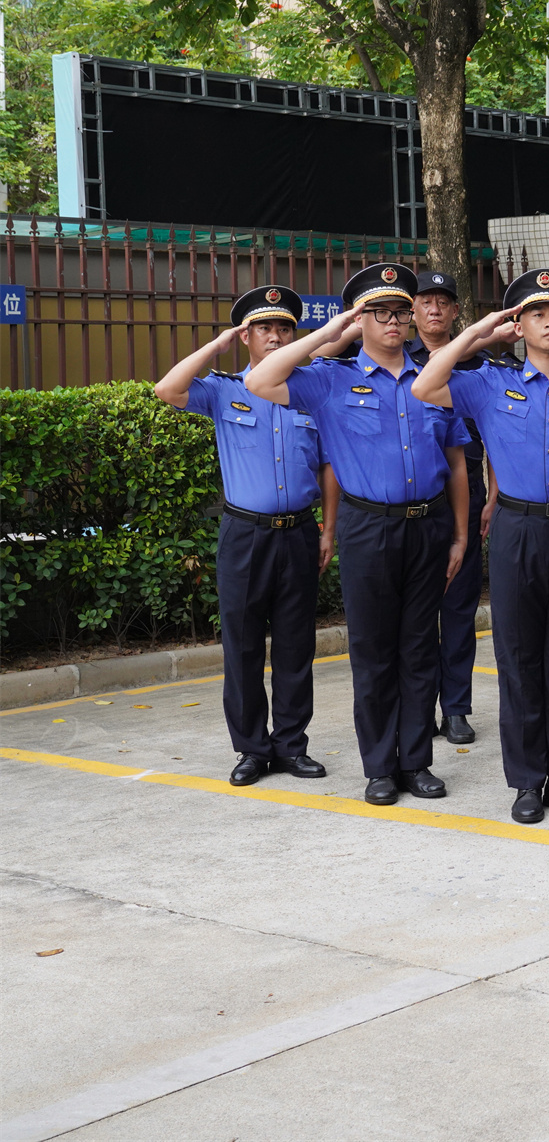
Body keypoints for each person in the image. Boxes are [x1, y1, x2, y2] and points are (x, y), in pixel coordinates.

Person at [246, 264, 471, 806]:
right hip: (369, 527)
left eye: (401, 310)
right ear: (360, 318)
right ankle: (379, 767)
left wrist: (461, 535)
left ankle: (416, 762)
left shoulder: (432, 378)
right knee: (373, 652)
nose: (393, 320)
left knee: (420, 648)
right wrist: (332, 332)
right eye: (379, 311)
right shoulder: (331, 379)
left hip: (429, 524)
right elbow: (260, 380)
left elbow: (458, 463)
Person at [412, 269, 549, 823]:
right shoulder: (488, 382)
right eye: (536, 314)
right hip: (516, 532)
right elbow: (426, 385)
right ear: (519, 325)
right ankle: (528, 781)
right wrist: (481, 332)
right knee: (519, 659)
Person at [155, 286, 336, 787]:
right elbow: (167, 390)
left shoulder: (310, 390)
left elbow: (328, 468)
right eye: (263, 329)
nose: (275, 337)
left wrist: (329, 530)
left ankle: (292, 746)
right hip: (245, 535)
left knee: (297, 646)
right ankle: (252, 749)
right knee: (242, 646)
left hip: (299, 531)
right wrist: (215, 346)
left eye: (283, 328)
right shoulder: (222, 389)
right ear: (247, 337)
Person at [406, 270, 488, 748]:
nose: (435, 309)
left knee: (458, 608)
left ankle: (456, 707)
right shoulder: (393, 353)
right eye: (426, 301)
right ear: (413, 310)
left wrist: (493, 492)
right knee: (416, 612)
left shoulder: (477, 361)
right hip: (413, 494)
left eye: (444, 302)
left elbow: (499, 429)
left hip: (465, 494)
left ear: (457, 312)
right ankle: (417, 706)